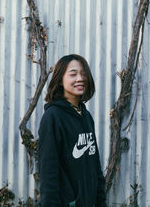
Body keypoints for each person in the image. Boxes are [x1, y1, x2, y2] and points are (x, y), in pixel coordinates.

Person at [38, 54, 107, 207]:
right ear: (60, 80)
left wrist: (101, 201)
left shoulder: (86, 116)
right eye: (73, 74)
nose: (80, 78)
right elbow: (48, 173)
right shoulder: (53, 118)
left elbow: (95, 166)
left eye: (83, 73)